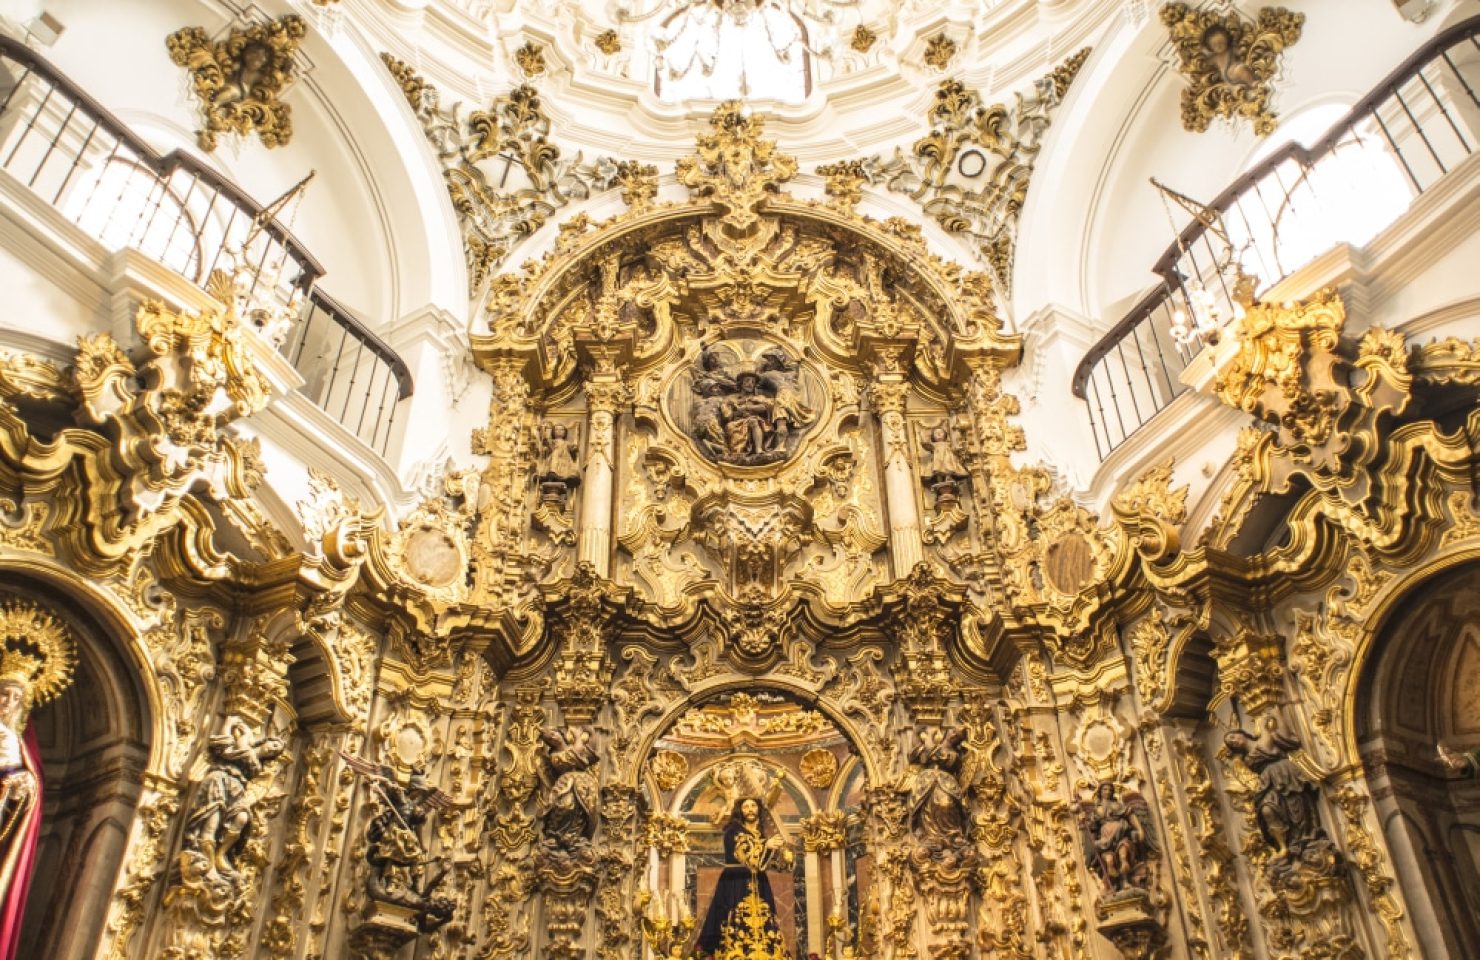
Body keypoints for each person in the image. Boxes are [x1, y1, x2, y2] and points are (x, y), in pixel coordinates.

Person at [695, 797, 793, 954]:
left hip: (760, 883)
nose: (750, 809)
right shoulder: (733, 831)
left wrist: (785, 857)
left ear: (759, 810)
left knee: (765, 921)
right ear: (740, 811)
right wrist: (767, 847)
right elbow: (748, 859)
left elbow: (769, 863)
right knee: (735, 920)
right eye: (746, 806)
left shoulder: (761, 834)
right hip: (736, 882)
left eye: (753, 805)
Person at [0, 672, 39, 960]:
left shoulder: (17, 743)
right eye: (4, 693)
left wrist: (24, 785)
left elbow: (25, 782)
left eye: (16, 698)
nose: (8, 702)